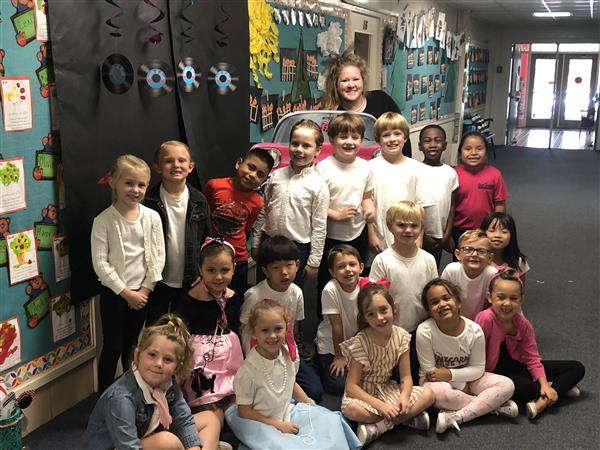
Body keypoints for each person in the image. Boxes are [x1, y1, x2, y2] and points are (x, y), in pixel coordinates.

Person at [225, 299, 362, 450]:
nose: (272, 335)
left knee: (331, 421)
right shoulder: (248, 371)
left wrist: (308, 402)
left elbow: (290, 382)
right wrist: (278, 425)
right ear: (253, 332)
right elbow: (244, 412)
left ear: (287, 328)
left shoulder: (285, 354)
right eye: (265, 330)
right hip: (260, 421)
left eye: (278, 329)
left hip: (286, 411)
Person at [91, 154, 165, 394]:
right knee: (112, 347)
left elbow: (158, 256)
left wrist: (145, 289)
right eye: (129, 183)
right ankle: (104, 398)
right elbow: (100, 263)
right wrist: (126, 293)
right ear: (114, 182)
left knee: (133, 347)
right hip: (115, 294)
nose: (135, 190)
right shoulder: (103, 221)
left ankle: (130, 394)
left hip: (142, 294)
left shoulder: (152, 217)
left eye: (141, 185)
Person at [475, 269, 585, 419]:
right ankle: (559, 388)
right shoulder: (486, 318)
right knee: (528, 389)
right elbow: (476, 354)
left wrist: (544, 384)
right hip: (495, 374)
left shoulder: (523, 324)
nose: (507, 303)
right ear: (490, 297)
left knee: (576, 367)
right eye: (501, 297)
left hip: (520, 368)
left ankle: (544, 399)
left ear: (521, 300)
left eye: (514, 298)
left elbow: (532, 358)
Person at [83, 314, 201, 450]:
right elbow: (128, 447)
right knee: (168, 442)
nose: (158, 364)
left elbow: (184, 421)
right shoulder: (121, 398)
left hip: (143, 437)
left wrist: (194, 447)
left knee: (211, 419)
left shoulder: (168, 383)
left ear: (176, 367)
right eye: (152, 355)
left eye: (168, 360)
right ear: (137, 355)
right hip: (120, 447)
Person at [417, 279, 517, 434]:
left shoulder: (475, 331)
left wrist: (451, 374)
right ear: (429, 311)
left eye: (447, 298)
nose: (442, 304)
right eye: (435, 302)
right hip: (436, 382)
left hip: (469, 378)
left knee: (507, 385)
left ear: (458, 303)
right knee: (437, 394)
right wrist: (461, 386)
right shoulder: (424, 331)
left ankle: (456, 417)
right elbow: (431, 373)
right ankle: (492, 407)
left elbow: (478, 369)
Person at [340, 283, 434, 446]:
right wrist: (381, 406)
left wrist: (404, 397)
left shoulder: (402, 336)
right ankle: (406, 418)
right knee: (351, 410)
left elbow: (406, 377)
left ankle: (379, 426)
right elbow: (352, 387)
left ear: (393, 308)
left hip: (386, 388)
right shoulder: (361, 341)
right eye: (371, 314)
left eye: (383, 310)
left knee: (429, 394)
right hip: (364, 393)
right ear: (364, 318)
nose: (379, 318)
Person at [176, 238, 243, 450]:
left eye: (225, 270)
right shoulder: (189, 299)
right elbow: (180, 337)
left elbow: (237, 328)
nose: (219, 277)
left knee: (239, 411)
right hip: (203, 369)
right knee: (214, 416)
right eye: (211, 270)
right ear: (200, 270)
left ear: (234, 268)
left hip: (230, 364)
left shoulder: (235, 297)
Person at [241, 235, 323, 402]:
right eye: (276, 267)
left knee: (315, 390)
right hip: (259, 350)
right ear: (265, 271)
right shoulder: (254, 295)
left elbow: (294, 327)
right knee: (264, 392)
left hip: (285, 348)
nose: (284, 272)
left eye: (289, 265)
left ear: (297, 265)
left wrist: (291, 352)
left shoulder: (296, 292)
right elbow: (245, 329)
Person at [252, 119, 329, 289]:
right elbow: (263, 211)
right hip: (268, 244)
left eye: (306, 146)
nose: (299, 150)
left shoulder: (318, 186)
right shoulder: (275, 176)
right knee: (262, 290)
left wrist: (314, 262)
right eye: (295, 144)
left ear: (317, 150)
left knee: (291, 293)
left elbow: (319, 227)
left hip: (297, 249)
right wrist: (256, 244)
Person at [143, 140, 212, 324]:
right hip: (156, 282)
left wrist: (203, 274)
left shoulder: (199, 201)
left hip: (190, 280)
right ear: (157, 167)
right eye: (168, 161)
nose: (176, 165)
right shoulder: (148, 201)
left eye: (181, 160)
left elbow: (207, 241)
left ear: (191, 167)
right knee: (156, 329)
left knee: (185, 329)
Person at [369, 201, 438, 383]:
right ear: (390, 226)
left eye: (414, 226)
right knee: (389, 377)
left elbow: (433, 294)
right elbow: (374, 297)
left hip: (420, 330)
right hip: (390, 330)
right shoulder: (382, 260)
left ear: (421, 228)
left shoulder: (428, 260)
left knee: (416, 376)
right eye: (401, 225)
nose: (408, 230)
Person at [316, 112, 374, 303]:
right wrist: (337, 215)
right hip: (330, 236)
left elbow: (366, 196)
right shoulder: (323, 168)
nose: (349, 142)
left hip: (358, 232)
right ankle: (326, 316)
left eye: (355, 137)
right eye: (343, 137)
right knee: (328, 279)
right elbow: (316, 206)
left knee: (355, 277)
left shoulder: (365, 167)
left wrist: (369, 208)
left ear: (361, 140)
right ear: (332, 140)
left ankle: (356, 312)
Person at [204, 147, 275, 294]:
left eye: (260, 175)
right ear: (238, 164)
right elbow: (203, 214)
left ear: (264, 180)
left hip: (238, 258)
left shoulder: (257, 202)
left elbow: (247, 227)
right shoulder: (214, 186)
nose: (252, 175)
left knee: (235, 297)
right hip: (211, 254)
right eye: (251, 167)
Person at [367, 113, 433, 261]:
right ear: (378, 139)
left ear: (405, 137)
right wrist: (371, 234)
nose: (392, 139)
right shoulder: (369, 168)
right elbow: (367, 203)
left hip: (409, 234)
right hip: (379, 234)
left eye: (397, 134)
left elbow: (421, 206)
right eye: (386, 135)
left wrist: (419, 237)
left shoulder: (417, 169)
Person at [321, 50, 412, 157]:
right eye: (344, 81)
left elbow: (403, 138)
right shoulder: (331, 114)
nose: (351, 85)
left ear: (363, 81)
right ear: (335, 85)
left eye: (356, 79)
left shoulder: (382, 101)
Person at [315, 244, 364, 395]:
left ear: (361, 267)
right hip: (333, 344)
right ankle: (319, 357)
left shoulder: (366, 286)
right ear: (332, 272)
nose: (348, 270)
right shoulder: (330, 290)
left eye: (352, 264)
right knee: (338, 386)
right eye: (341, 267)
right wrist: (339, 356)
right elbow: (336, 325)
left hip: (356, 343)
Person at [452, 131, 508, 253]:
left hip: (486, 229)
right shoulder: (453, 174)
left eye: (479, 149)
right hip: (459, 229)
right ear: (460, 153)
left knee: (485, 259)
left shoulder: (495, 175)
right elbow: (449, 206)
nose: (473, 153)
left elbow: (499, 204)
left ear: (486, 152)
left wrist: (497, 228)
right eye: (468, 149)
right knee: (462, 260)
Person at [418, 125, 459, 268]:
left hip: (440, 236)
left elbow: (452, 206)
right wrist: (422, 235)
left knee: (433, 270)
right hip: (417, 235)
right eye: (427, 141)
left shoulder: (450, 172)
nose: (432, 145)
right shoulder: (414, 170)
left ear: (445, 145)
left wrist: (446, 235)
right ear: (420, 146)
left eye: (438, 140)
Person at [441, 229, 498, 320]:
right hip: (454, 319)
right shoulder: (451, 271)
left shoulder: (492, 274)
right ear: (458, 254)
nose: (474, 254)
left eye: (481, 251)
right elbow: (443, 299)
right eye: (468, 249)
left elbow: (494, 305)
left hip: (483, 321)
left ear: (490, 257)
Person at [481, 212, 530, 278]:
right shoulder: (477, 258)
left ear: (512, 235)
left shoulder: (518, 261)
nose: (497, 235)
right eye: (492, 230)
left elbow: (520, 284)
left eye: (504, 232)